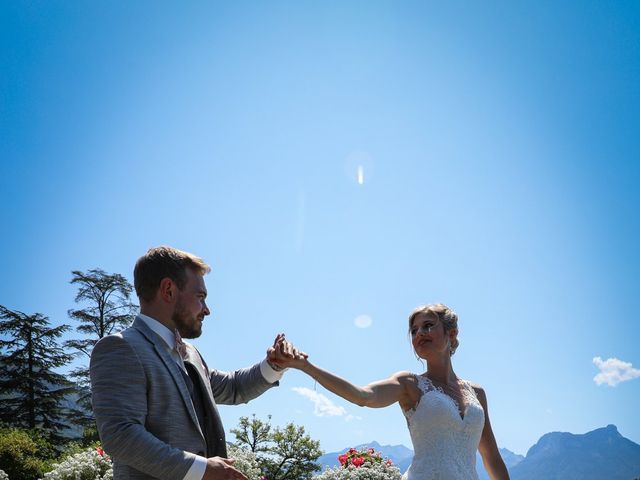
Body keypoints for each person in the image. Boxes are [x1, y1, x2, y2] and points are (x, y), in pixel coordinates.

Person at [90, 246, 301, 480]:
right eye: (200, 297)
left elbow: (233, 387)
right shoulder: (121, 348)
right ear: (168, 290)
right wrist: (202, 470)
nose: (207, 310)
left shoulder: (190, 353)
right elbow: (120, 435)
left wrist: (274, 365)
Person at [283, 303, 510, 480]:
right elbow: (363, 396)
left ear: (451, 334)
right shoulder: (409, 384)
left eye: (428, 325)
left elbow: (491, 456)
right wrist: (306, 366)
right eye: (413, 330)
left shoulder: (477, 393)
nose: (419, 333)